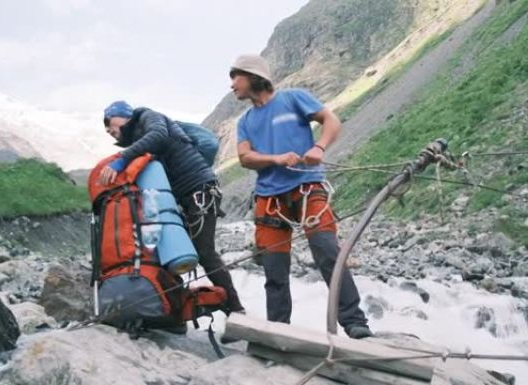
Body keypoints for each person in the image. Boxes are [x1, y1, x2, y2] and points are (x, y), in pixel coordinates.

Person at [231, 54, 373, 339]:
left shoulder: (292, 98)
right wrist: (276, 158)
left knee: (328, 252)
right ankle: (279, 331)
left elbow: (330, 120)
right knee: (274, 270)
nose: (232, 84)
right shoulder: (245, 120)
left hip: (307, 187)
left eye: (236, 77)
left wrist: (319, 147)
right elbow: (245, 157)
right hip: (269, 197)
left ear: (252, 76)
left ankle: (355, 323)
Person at [100, 101, 245, 314]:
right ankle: (173, 309)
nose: (109, 130)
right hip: (184, 197)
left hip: (200, 190)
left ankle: (235, 309)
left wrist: (122, 159)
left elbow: (158, 135)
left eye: (110, 123)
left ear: (125, 116)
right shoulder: (139, 139)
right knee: (172, 251)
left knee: (204, 252)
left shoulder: (149, 117)